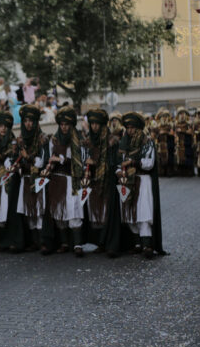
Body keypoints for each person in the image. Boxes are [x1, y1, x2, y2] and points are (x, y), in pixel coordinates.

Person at [116, 112, 165, 258]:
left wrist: (133, 162)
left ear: (138, 128)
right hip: (127, 181)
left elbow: (149, 164)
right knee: (129, 213)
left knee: (143, 213)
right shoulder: (123, 143)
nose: (130, 131)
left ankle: (147, 245)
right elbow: (118, 162)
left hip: (142, 181)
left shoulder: (147, 142)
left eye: (133, 128)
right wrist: (118, 171)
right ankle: (137, 243)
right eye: (128, 128)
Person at [43, 106, 85, 256]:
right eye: (61, 124)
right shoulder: (53, 140)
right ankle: (65, 243)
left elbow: (78, 160)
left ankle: (77, 245)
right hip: (57, 180)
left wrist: (61, 159)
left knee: (74, 211)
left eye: (67, 124)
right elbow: (49, 157)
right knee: (59, 212)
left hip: (71, 180)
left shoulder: (78, 140)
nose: (64, 127)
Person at [82, 109, 121, 256]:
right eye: (92, 124)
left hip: (108, 180)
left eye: (97, 124)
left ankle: (110, 242)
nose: (94, 127)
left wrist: (96, 161)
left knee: (108, 212)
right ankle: (99, 242)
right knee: (96, 212)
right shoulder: (88, 141)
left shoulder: (112, 141)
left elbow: (113, 162)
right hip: (94, 181)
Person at [15, 105, 49, 251]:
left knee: (39, 210)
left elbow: (40, 162)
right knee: (29, 211)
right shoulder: (20, 140)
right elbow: (16, 159)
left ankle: (43, 241)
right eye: (26, 121)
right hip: (25, 178)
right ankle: (34, 241)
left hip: (38, 179)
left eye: (31, 121)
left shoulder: (42, 139)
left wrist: (27, 157)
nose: (28, 124)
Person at [0, 112, 21, 251]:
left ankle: (11, 240)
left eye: (6, 126)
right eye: (0, 126)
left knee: (9, 212)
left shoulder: (13, 143)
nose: (3, 129)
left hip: (9, 182)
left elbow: (11, 161)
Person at [173, 107, 195, 176]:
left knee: (188, 157)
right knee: (180, 158)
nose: (182, 115)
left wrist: (182, 131)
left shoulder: (189, 124)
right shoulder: (175, 124)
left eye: (183, 113)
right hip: (179, 144)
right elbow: (173, 133)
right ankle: (181, 171)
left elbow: (190, 132)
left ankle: (189, 172)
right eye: (180, 113)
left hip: (187, 143)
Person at [155, 108, 175, 177]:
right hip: (160, 145)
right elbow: (154, 135)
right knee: (161, 159)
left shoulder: (171, 125)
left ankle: (169, 172)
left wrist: (165, 132)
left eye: (166, 116)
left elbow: (172, 134)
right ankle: (162, 172)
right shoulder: (157, 126)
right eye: (163, 116)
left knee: (169, 158)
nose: (164, 118)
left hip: (169, 144)